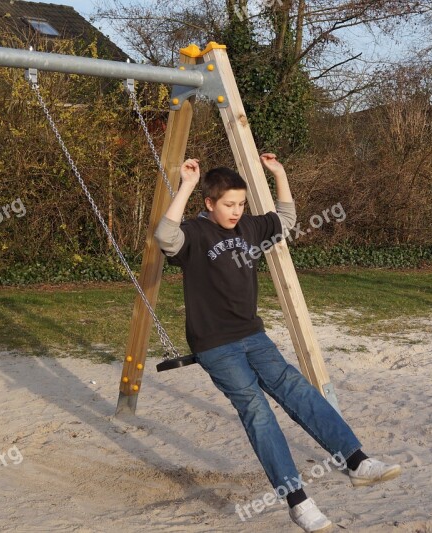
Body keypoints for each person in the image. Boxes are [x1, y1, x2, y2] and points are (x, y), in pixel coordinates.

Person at [154, 154, 401, 532]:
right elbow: (164, 237)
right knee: (257, 410)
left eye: (241, 204)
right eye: (228, 205)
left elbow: (285, 220)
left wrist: (280, 175)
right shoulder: (195, 235)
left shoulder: (249, 228)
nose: (236, 211)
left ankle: (356, 461)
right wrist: (186, 184)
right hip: (215, 345)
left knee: (297, 390)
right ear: (209, 204)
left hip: (254, 335)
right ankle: (298, 502)